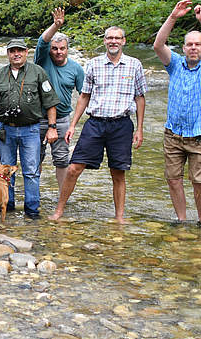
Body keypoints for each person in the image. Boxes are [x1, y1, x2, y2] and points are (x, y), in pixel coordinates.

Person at [48, 27, 147, 223]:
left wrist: (140, 128)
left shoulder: (134, 65)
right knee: (74, 168)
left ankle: (119, 217)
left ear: (123, 41)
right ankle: (59, 211)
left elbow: (140, 97)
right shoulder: (94, 64)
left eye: (117, 38)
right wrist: (73, 125)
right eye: (109, 38)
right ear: (104, 41)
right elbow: (84, 96)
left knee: (118, 173)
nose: (113, 41)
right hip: (95, 123)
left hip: (121, 125)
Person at [151, 0, 201, 225]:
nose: (193, 48)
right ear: (183, 48)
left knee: (199, 181)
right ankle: (181, 220)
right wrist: (173, 17)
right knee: (173, 179)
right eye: (189, 44)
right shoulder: (175, 65)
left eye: (197, 45)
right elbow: (158, 45)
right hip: (174, 135)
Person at [0, 39, 59, 219]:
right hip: (5, 130)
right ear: (7, 54)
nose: (16, 54)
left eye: (20, 50)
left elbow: (50, 103)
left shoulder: (38, 73)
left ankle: (32, 210)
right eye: (12, 51)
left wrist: (52, 127)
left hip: (31, 129)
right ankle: (6, 207)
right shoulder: (0, 75)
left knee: (31, 171)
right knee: (6, 171)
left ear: (26, 52)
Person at [34, 8, 86, 190]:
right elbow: (42, 42)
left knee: (62, 160)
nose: (58, 52)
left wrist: (75, 123)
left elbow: (84, 95)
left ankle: (63, 199)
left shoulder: (76, 69)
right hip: (37, 118)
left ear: (67, 49)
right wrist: (56, 27)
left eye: (62, 48)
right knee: (34, 158)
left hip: (63, 119)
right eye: (55, 48)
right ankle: (34, 194)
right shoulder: (43, 60)